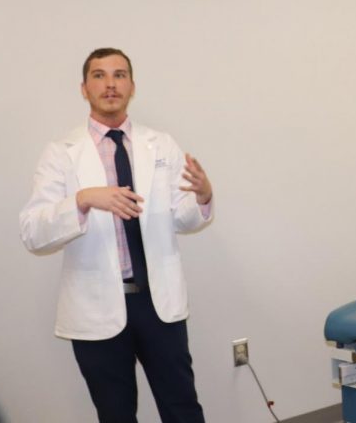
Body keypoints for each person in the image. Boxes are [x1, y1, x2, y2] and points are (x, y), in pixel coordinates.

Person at [20, 48, 213, 423]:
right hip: (96, 305)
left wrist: (203, 196)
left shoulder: (161, 144)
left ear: (132, 86)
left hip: (158, 303)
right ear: (84, 88)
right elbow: (33, 232)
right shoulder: (61, 153)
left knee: (183, 408)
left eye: (119, 75)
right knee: (115, 414)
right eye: (99, 75)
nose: (110, 83)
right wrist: (82, 199)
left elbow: (184, 218)